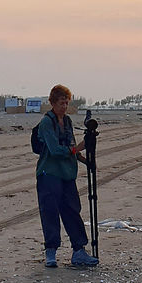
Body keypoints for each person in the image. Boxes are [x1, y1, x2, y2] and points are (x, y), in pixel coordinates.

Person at [35, 85, 97, 268]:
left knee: (72, 211)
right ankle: (51, 252)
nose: (64, 106)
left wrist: (85, 160)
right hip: (49, 174)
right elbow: (55, 150)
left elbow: (71, 147)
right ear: (53, 103)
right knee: (50, 213)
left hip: (67, 174)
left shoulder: (68, 121)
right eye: (61, 103)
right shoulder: (47, 123)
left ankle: (79, 251)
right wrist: (77, 149)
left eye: (66, 102)